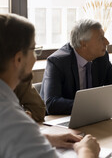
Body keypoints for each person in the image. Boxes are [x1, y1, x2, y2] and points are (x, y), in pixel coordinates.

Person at [0, 13, 100, 158]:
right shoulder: (12, 118)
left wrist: (45, 138)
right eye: (34, 50)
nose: (35, 57)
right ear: (19, 59)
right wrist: (87, 150)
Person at [41, 19, 112, 115]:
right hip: (61, 121)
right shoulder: (57, 62)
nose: (107, 42)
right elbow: (52, 103)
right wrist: (99, 105)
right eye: (101, 38)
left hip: (92, 119)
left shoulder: (101, 57)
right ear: (83, 44)